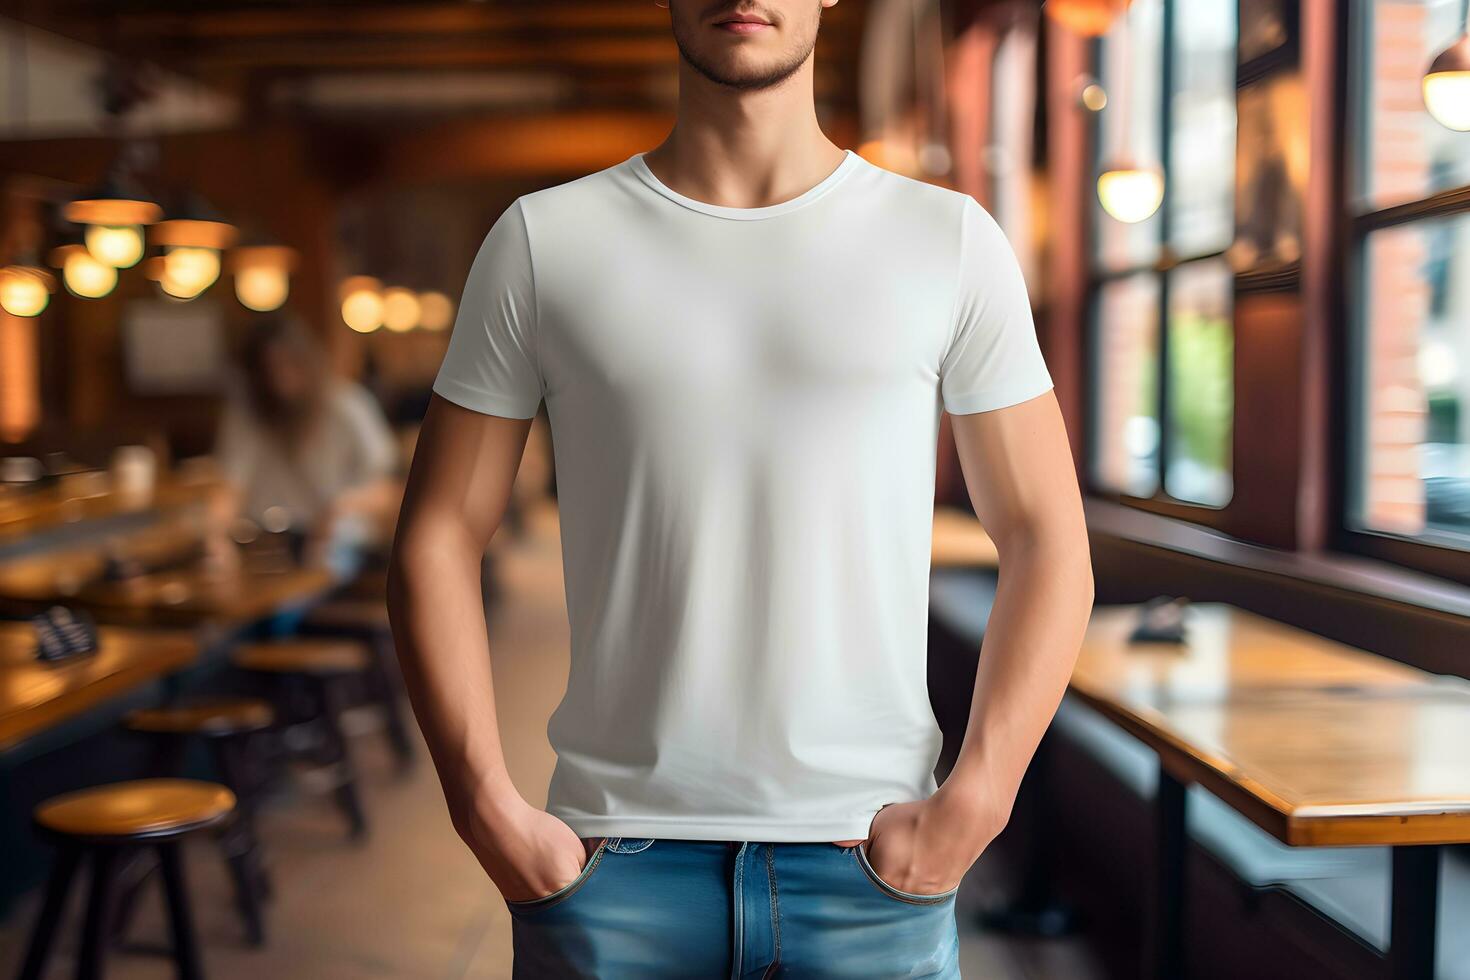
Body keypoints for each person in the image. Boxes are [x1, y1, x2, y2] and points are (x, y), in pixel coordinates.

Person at [387, 1, 1094, 975]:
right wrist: (484, 807)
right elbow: (435, 534)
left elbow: (1046, 532)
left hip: (870, 867)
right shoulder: (544, 241)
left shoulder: (949, 241)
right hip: (609, 868)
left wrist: (981, 797)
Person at [211, 312, 401, 579]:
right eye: (269, 370)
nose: (280, 382)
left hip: (332, 539)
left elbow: (388, 490)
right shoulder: (249, 412)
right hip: (266, 542)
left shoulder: (348, 406)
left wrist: (341, 508)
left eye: (287, 366)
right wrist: (215, 535)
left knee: (328, 558)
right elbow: (230, 486)